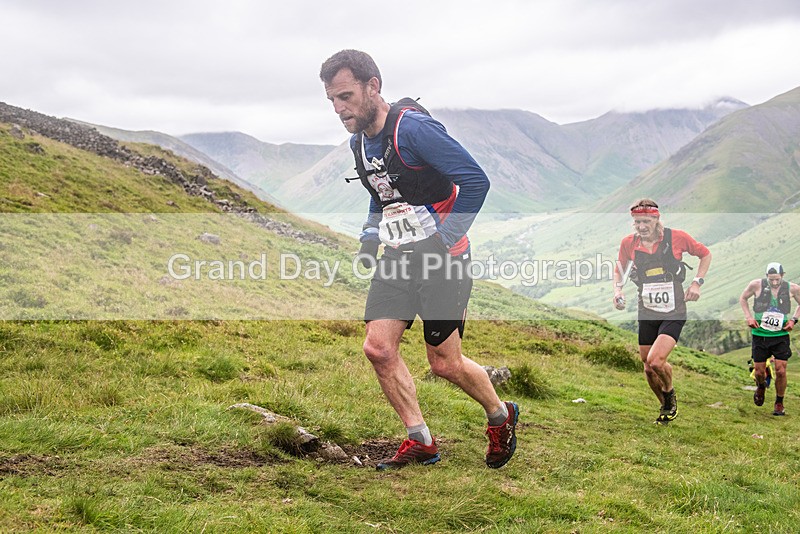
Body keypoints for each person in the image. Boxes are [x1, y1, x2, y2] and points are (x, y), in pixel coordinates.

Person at [319, 49, 518, 470]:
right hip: (398, 257)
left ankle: (501, 416)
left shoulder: (413, 130)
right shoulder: (360, 142)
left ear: (374, 86)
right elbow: (382, 194)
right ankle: (421, 440)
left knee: (445, 363)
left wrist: (443, 240)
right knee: (377, 348)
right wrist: (370, 239)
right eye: (332, 100)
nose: (339, 108)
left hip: (443, 260)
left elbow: (476, 181)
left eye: (346, 96)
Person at [613, 199, 711, 424]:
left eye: (646, 221)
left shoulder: (677, 237)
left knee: (656, 361)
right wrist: (617, 290)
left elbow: (705, 254)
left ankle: (669, 392)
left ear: (657, 219)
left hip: (673, 310)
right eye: (637, 222)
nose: (642, 226)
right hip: (647, 309)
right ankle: (665, 405)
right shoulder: (629, 243)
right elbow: (619, 269)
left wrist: (697, 283)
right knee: (648, 368)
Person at [739, 263, 800, 415]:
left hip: (780, 335)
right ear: (766, 276)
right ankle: (761, 386)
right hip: (760, 335)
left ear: (783, 276)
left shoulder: (792, 288)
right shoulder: (756, 285)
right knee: (759, 372)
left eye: (777, 279)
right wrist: (748, 317)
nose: (774, 282)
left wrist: (793, 320)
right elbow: (743, 298)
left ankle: (779, 402)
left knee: (781, 370)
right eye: (771, 279)